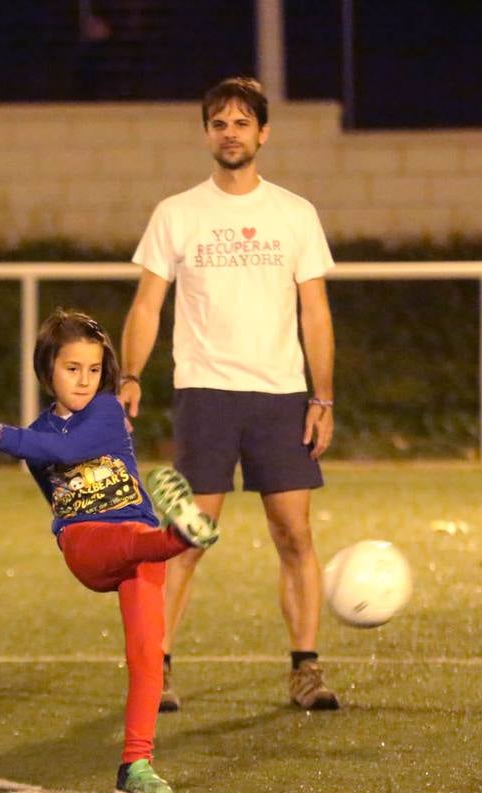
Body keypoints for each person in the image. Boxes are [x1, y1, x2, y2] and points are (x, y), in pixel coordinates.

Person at [120, 76, 340, 713]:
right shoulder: (178, 213)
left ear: (263, 133)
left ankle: (305, 668)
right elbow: (147, 304)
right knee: (188, 534)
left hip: (280, 397)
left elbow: (316, 315)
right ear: (208, 134)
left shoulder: (294, 214)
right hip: (207, 392)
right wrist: (130, 373)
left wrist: (322, 399)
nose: (231, 132)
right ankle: (155, 668)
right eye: (219, 123)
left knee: (294, 533)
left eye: (243, 123)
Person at [0, 308, 219, 793]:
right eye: (71, 368)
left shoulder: (106, 412)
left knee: (146, 658)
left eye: (94, 369)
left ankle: (135, 765)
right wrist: (11, 437)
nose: (84, 379)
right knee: (133, 542)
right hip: (87, 543)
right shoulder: (36, 434)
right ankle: (182, 534)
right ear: (47, 369)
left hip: (138, 537)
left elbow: (70, 445)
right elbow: (48, 456)